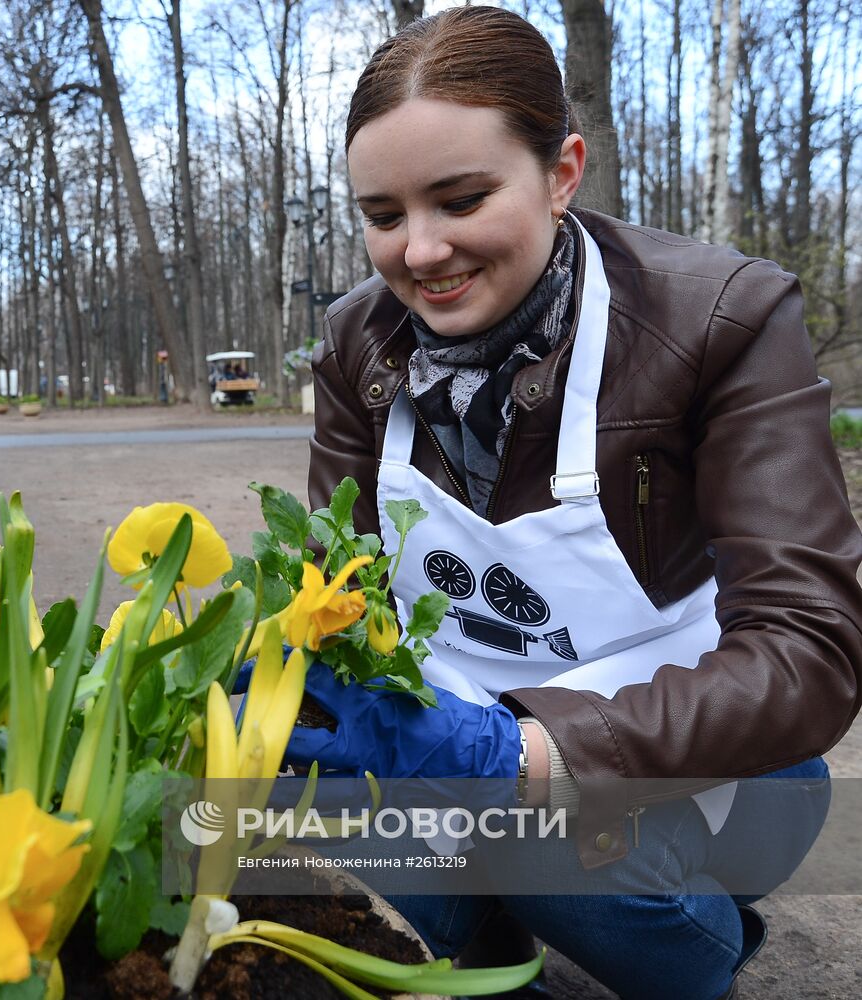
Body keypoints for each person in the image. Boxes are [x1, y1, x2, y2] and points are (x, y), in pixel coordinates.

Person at [293, 7, 862, 1000]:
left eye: (460, 198)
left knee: (550, 855)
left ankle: (700, 942)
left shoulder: (718, 317)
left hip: (710, 753)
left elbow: (808, 649)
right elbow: (337, 586)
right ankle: (484, 939)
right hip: (455, 735)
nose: (418, 252)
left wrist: (530, 755)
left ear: (560, 172)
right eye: (382, 215)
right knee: (291, 857)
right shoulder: (357, 345)